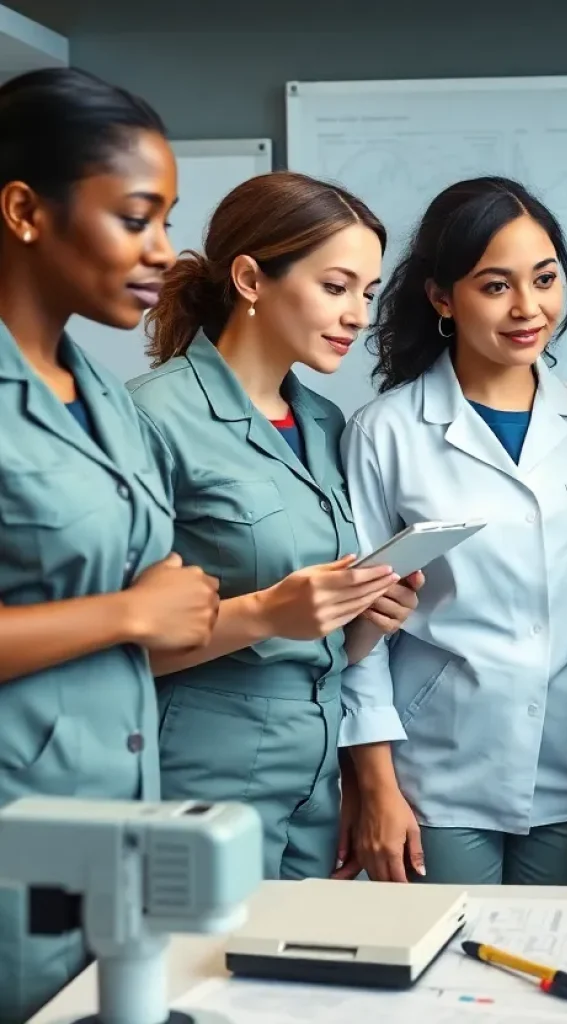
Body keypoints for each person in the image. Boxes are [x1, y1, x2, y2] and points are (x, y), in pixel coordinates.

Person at [340, 176, 567, 886]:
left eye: (544, 279)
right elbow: (359, 631)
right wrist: (377, 789)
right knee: (442, 983)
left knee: (561, 972)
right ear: (443, 298)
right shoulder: (385, 434)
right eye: (495, 286)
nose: (528, 308)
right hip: (435, 775)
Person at [0, 68, 220, 1023]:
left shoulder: (102, 394)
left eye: (168, 222)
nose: (165, 254)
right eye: (137, 219)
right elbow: (134, 610)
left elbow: (154, 619)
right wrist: (131, 612)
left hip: (119, 821)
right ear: (24, 211)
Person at [128, 171, 422, 882]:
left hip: (313, 792)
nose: (357, 314)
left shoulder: (324, 424)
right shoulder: (150, 417)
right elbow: (115, 649)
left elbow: (316, 647)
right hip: (199, 784)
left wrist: (370, 618)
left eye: (368, 293)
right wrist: (265, 613)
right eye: (336, 286)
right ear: (251, 279)